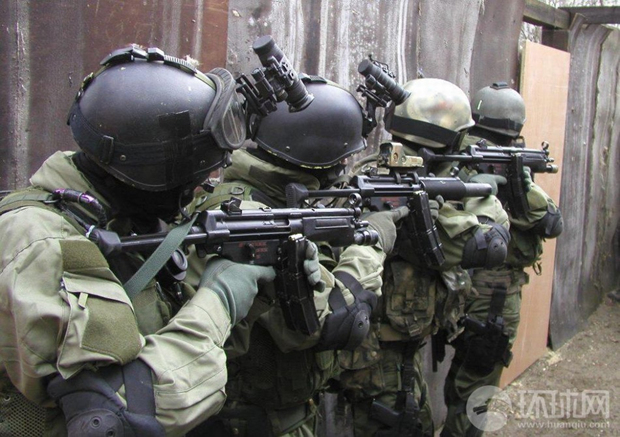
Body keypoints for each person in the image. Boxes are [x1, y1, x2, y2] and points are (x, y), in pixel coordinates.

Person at [0, 45, 278, 436]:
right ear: (154, 171)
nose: (204, 184)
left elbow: (162, 335)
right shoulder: (40, 241)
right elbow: (115, 419)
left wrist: (257, 261)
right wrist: (220, 299)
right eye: (196, 174)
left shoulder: (123, 220)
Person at [184, 75, 405, 437]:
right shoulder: (255, 221)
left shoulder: (252, 196)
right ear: (321, 160)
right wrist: (372, 240)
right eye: (344, 159)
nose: (346, 166)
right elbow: (337, 322)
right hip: (254, 420)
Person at [333, 78, 511, 437]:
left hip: (393, 348)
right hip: (380, 354)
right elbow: (490, 245)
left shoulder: (373, 173)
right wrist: (481, 193)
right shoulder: (399, 190)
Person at [440, 82, 563, 437]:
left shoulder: (454, 153)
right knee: (476, 387)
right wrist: (520, 185)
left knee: (464, 378)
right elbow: (551, 223)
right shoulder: (488, 164)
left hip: (452, 286)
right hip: (494, 293)